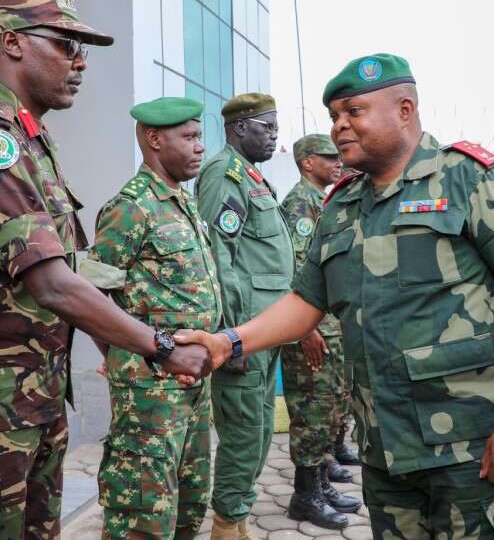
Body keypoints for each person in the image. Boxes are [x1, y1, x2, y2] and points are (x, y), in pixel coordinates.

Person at [180, 53, 494, 539]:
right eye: (334, 117)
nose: (340, 126)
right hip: (386, 453)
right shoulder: (342, 203)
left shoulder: (469, 179)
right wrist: (228, 342)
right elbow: (306, 302)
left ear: (404, 109)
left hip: (474, 451)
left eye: (353, 112)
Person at [0, 0, 209, 539]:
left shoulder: (31, 140)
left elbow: (72, 270)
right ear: (14, 42)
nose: (80, 62)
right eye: (67, 44)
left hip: (30, 394)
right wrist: (160, 348)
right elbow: (53, 285)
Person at [82, 97, 220, 539]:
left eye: (200, 135)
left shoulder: (182, 201)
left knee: (189, 499)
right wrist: (121, 357)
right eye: (190, 137)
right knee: (142, 510)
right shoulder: (131, 206)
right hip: (149, 390)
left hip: (193, 384)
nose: (200, 146)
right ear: (155, 139)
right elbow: (91, 295)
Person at [194, 93, 294, 539]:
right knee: (244, 434)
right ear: (239, 129)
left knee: (258, 434)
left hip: (263, 329)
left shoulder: (252, 177)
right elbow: (219, 257)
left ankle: (238, 520)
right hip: (244, 332)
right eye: (266, 127)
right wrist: (230, 334)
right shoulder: (224, 174)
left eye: (275, 127)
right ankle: (226, 526)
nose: (274, 135)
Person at [277, 133, 361, 530]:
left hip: (329, 324)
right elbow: (295, 271)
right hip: (312, 327)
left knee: (328, 406)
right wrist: (304, 328)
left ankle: (321, 482)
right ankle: (304, 495)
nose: (337, 162)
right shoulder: (299, 204)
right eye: (328, 157)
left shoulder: (321, 201)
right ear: (307, 162)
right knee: (311, 410)